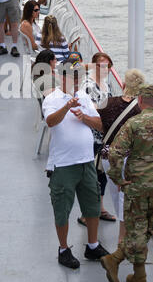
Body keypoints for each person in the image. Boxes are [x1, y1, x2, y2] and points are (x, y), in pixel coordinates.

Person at [100, 84, 153, 282]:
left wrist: (118, 178)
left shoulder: (133, 123)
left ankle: (116, 259)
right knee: (151, 227)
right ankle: (139, 277)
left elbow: (115, 153)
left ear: (140, 101)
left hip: (136, 185)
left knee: (137, 228)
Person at [42, 58, 109, 269]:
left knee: (92, 205)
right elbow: (51, 122)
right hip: (63, 164)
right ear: (61, 76)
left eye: (80, 75)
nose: (78, 79)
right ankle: (63, 249)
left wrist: (84, 117)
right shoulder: (52, 99)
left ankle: (92, 245)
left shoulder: (85, 97)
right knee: (62, 208)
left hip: (87, 162)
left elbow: (100, 124)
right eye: (74, 75)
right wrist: (67, 106)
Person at [97, 68, 145, 243]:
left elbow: (97, 121)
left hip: (108, 156)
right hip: (128, 158)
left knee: (116, 194)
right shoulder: (141, 109)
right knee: (127, 196)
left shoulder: (107, 102)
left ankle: (122, 231)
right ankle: (123, 236)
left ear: (123, 85)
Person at [77, 52, 116, 227]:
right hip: (92, 136)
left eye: (107, 65)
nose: (105, 69)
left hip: (105, 136)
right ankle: (86, 213)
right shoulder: (88, 85)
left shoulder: (107, 83)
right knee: (90, 176)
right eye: (100, 65)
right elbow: (92, 110)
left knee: (101, 174)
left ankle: (99, 209)